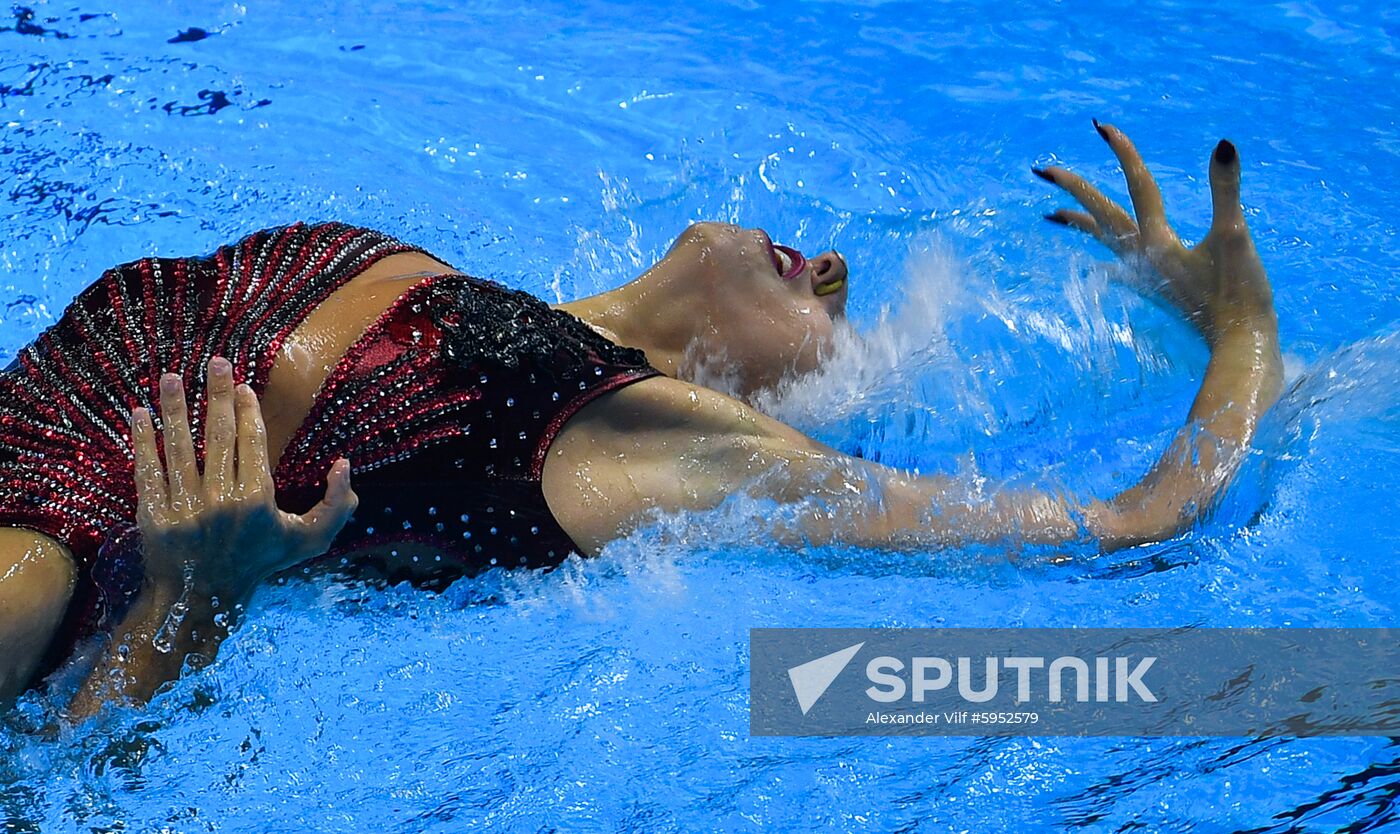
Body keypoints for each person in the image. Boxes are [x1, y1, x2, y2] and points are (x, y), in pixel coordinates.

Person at [0, 124, 1282, 717]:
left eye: (842, 327)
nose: (829, 268)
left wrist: (1238, 333)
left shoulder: (648, 442)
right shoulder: (525, 320)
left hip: (57, 540)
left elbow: (1134, 519)